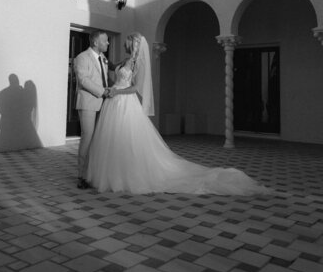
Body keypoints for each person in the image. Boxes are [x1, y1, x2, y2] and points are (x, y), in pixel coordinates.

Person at [87, 33, 271, 196]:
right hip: (114, 104)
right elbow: (113, 71)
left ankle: (127, 176)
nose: (125, 45)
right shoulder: (123, 61)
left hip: (125, 103)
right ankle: (115, 175)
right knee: (114, 140)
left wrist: (116, 92)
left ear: (133, 45)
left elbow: (135, 88)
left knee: (127, 140)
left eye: (128, 42)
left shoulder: (137, 64)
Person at [73, 30, 114, 189]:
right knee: (87, 137)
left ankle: (93, 173)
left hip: (103, 104)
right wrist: (102, 91)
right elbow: (83, 80)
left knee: (98, 139)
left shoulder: (103, 58)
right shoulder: (81, 58)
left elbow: (108, 74)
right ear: (96, 42)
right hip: (88, 103)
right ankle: (81, 176)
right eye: (105, 41)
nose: (108, 43)